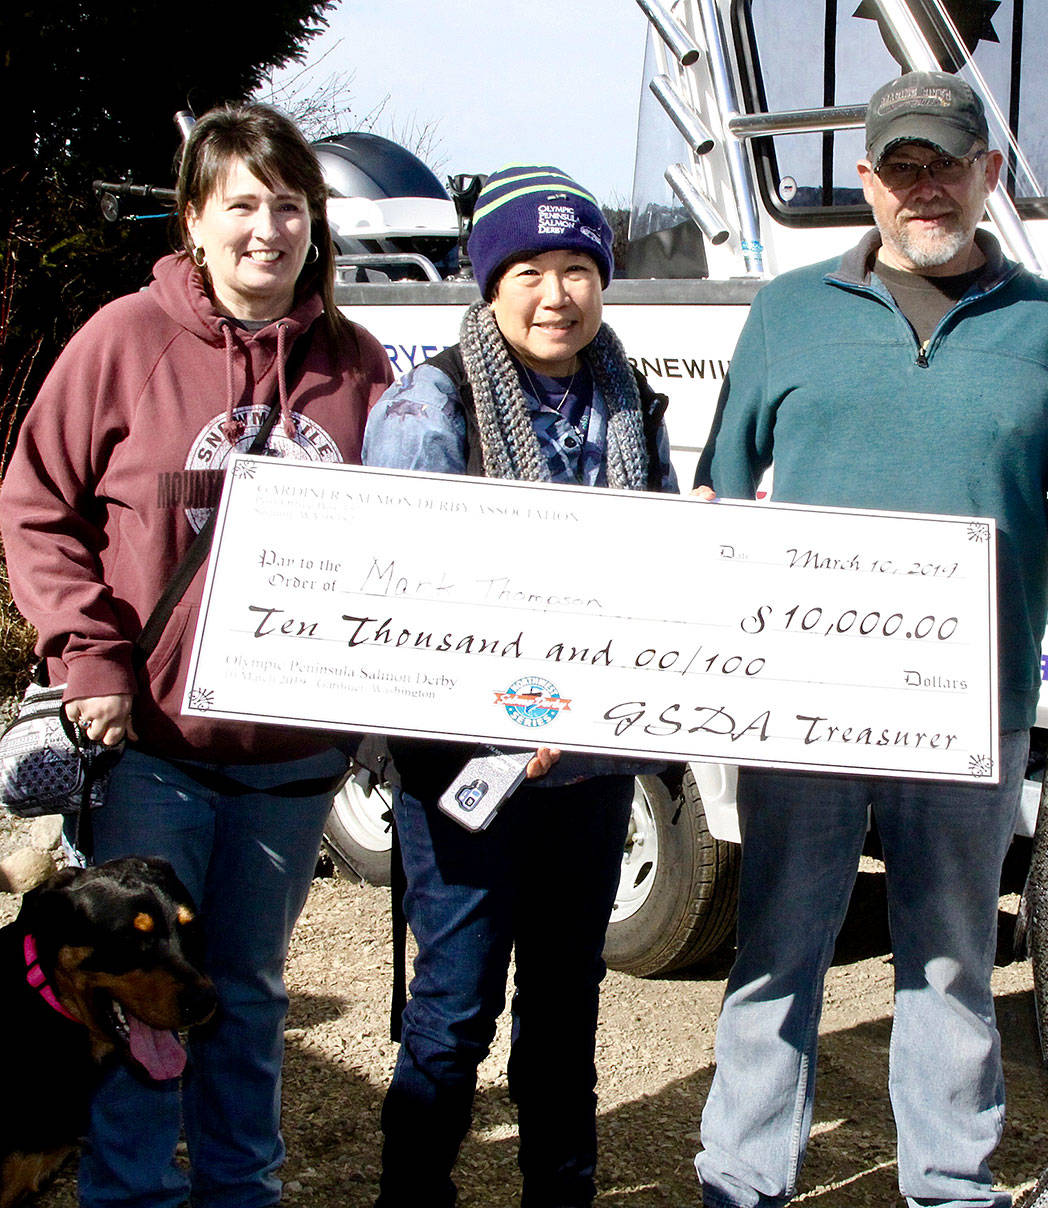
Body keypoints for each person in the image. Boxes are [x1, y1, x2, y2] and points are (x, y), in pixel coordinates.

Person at [692, 71, 1048, 1208]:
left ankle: (949, 1181)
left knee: (948, 957)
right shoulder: (784, 312)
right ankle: (741, 1178)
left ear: (986, 173)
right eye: (899, 167)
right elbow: (719, 482)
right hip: (798, 706)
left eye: (945, 164)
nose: (922, 187)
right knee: (776, 952)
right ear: (865, 181)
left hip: (968, 709)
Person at [0, 103, 393, 1208]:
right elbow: (35, 504)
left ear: (315, 220)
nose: (267, 228)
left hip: (291, 758)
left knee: (249, 991)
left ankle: (240, 1189)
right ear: (193, 219)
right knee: (127, 995)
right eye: (241, 206)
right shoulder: (124, 339)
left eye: (288, 205)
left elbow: (409, 535)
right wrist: (89, 652)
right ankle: (129, 1192)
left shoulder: (358, 366)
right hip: (151, 749)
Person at [361, 163, 679, 1208]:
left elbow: (662, 570)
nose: (557, 293)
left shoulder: (630, 399)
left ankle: (561, 1194)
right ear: (487, 280)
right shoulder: (429, 404)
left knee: (564, 1011)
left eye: (579, 266)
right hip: (468, 774)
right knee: (451, 1012)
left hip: (587, 774)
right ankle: (414, 1193)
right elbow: (397, 600)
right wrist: (493, 717)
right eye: (530, 269)